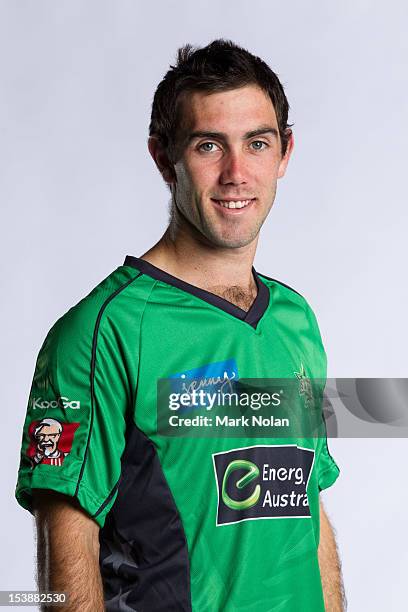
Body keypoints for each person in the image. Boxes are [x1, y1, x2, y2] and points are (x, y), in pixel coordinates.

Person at [16, 39, 345, 611]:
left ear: (284, 153)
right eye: (208, 145)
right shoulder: (104, 331)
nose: (236, 172)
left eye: (257, 143)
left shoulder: (296, 322)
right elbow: (65, 559)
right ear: (163, 156)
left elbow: (307, 504)